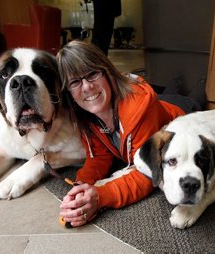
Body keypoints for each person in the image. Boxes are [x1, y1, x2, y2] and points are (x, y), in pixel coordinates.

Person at [57, 40, 185, 227]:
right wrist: (81, 186)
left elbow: (148, 173)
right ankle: (175, 85)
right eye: (75, 82)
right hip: (157, 105)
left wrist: (100, 197)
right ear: (69, 93)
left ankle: (186, 84)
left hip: (179, 114)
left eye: (92, 74)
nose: (87, 87)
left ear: (107, 71)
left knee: (191, 98)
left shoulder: (141, 108)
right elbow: (99, 157)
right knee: (170, 92)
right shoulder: (85, 114)